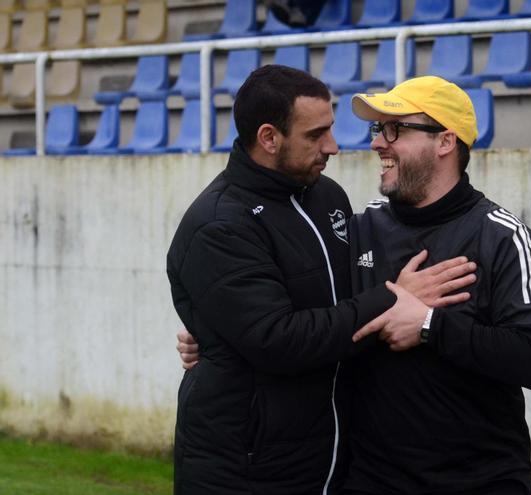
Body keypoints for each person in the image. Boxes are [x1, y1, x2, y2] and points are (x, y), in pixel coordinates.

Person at [166, 65, 475, 495]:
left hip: (328, 453)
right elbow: (278, 340)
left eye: (330, 129)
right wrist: (394, 301)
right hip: (247, 468)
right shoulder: (219, 225)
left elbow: (339, 300)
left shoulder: (327, 196)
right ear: (270, 138)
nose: (333, 146)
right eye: (315, 135)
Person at [340, 76, 531, 495]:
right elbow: (310, 316)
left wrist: (428, 324)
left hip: (481, 482)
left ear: (445, 141)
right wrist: (226, 331)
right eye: (377, 129)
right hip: (371, 480)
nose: (377, 144)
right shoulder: (359, 229)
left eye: (395, 129)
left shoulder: (504, 237)